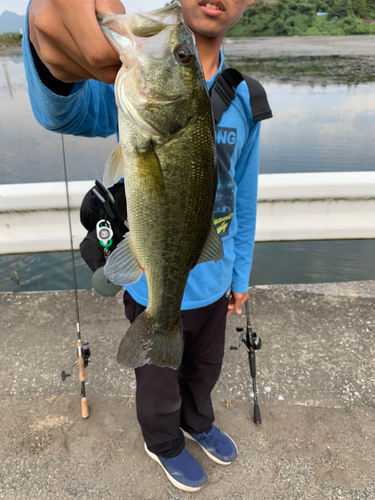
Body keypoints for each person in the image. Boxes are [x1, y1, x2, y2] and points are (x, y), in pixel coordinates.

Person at [24, 0, 261, 492]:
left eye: (179, 59)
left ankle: (198, 422)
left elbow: (245, 197)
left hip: (214, 285)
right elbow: (60, 109)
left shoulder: (246, 98)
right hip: (153, 283)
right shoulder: (125, 93)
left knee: (204, 370)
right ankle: (164, 442)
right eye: (180, 56)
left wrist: (239, 278)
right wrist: (45, 47)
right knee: (156, 384)